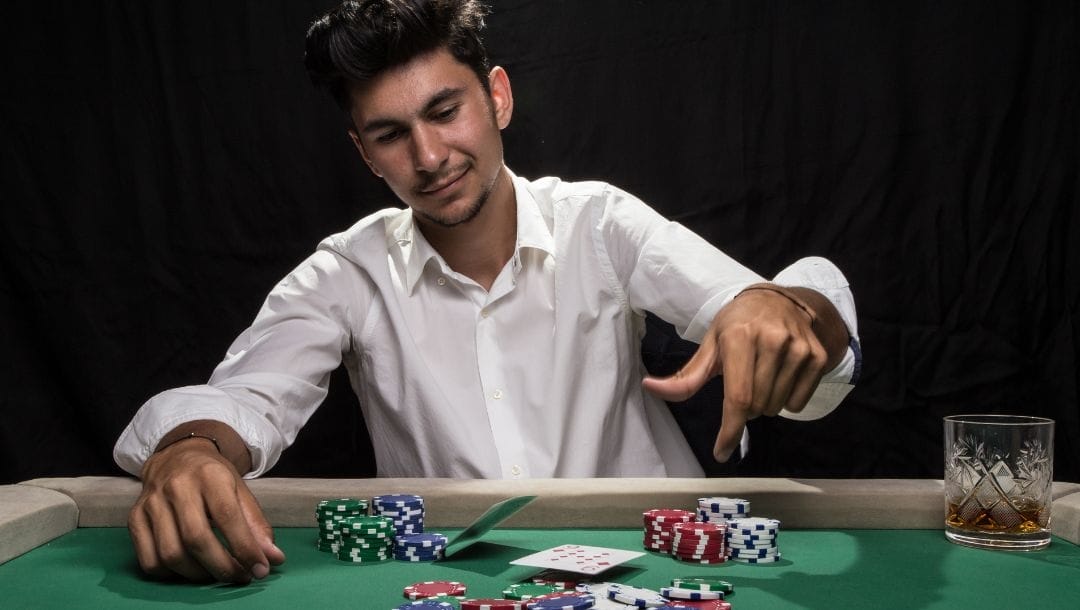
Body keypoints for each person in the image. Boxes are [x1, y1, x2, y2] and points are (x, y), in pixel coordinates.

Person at [113, 0, 860, 585]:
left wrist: (790, 310)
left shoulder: (598, 222)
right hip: (454, 585)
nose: (430, 156)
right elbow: (245, 400)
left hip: (654, 572)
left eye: (445, 112)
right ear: (364, 153)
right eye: (391, 134)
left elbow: (791, 332)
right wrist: (188, 452)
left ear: (496, 96)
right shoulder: (346, 271)